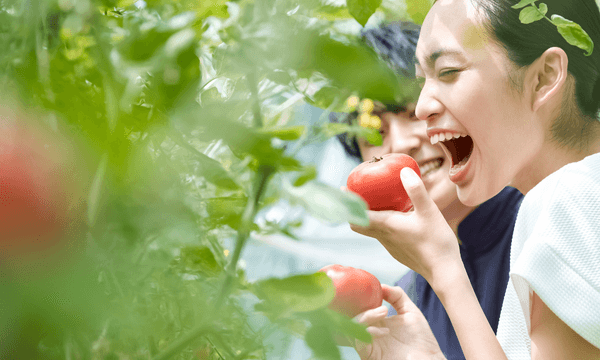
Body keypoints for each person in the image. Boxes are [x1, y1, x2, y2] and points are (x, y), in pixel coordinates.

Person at [349, 0, 600, 359]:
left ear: (544, 77)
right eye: (422, 82)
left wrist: (445, 273)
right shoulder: (560, 204)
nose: (422, 108)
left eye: (448, 72)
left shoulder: (568, 199)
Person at [330, 22, 523, 359]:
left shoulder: (552, 216)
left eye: (412, 111)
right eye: (375, 132)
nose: (402, 143)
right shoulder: (407, 305)